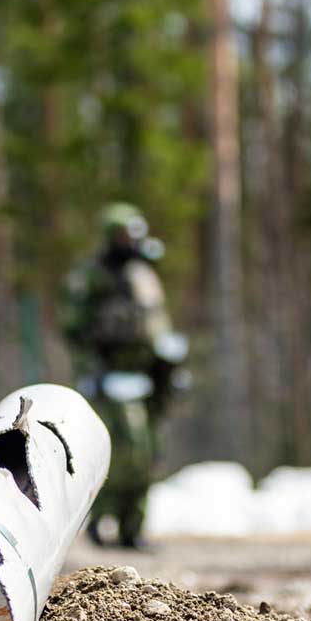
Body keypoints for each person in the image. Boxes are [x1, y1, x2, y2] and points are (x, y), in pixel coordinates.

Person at [61, 203, 187, 548]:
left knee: (148, 453)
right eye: (123, 234)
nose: (130, 240)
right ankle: (99, 521)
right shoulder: (91, 276)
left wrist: (170, 368)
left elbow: (157, 325)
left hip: (145, 377)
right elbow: (74, 330)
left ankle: (133, 528)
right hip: (110, 378)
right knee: (119, 453)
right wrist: (93, 372)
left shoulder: (143, 274)